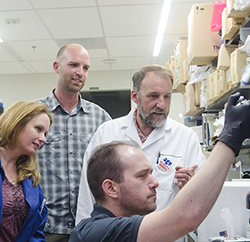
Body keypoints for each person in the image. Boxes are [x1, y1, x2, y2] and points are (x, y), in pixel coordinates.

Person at [69, 92, 250, 242]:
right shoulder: (97, 232)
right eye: (142, 176)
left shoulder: (125, 223)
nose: (155, 183)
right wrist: (230, 136)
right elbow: (185, 217)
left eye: (151, 174)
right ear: (110, 188)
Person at [76, 65, 206, 227]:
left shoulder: (185, 138)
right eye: (153, 96)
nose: (161, 104)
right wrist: (84, 231)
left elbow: (202, 193)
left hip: (164, 233)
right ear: (135, 96)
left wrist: (190, 185)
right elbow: (88, 191)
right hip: (112, 233)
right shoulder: (108, 132)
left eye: (167, 96)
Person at [36, 43, 111, 241]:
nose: (80, 72)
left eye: (85, 68)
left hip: (89, 225)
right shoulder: (34, 114)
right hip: (46, 226)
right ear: (56, 67)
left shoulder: (100, 118)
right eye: (74, 65)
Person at [0, 101, 53, 242]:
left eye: (45, 133)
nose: (43, 139)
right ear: (17, 122)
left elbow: (35, 231)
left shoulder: (30, 177)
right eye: (38, 129)